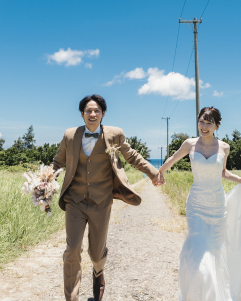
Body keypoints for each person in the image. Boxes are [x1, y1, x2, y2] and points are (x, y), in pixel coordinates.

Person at [51, 94, 164, 301]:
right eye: (88, 111)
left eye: (96, 111)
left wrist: (153, 172)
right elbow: (57, 162)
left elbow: (132, 156)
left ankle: (98, 271)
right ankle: (71, 297)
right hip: (74, 200)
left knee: (96, 252)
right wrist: (44, 180)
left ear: (103, 114)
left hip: (101, 201)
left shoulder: (115, 134)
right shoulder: (70, 135)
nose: (92, 114)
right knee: (73, 249)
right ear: (82, 114)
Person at [159, 107, 241, 301]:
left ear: (217, 126)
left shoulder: (224, 147)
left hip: (217, 206)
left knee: (215, 251)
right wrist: (159, 172)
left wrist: (240, 179)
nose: (204, 126)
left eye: (209, 123)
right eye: (201, 121)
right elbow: (172, 159)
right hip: (196, 205)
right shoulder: (189, 144)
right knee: (199, 252)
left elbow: (222, 172)